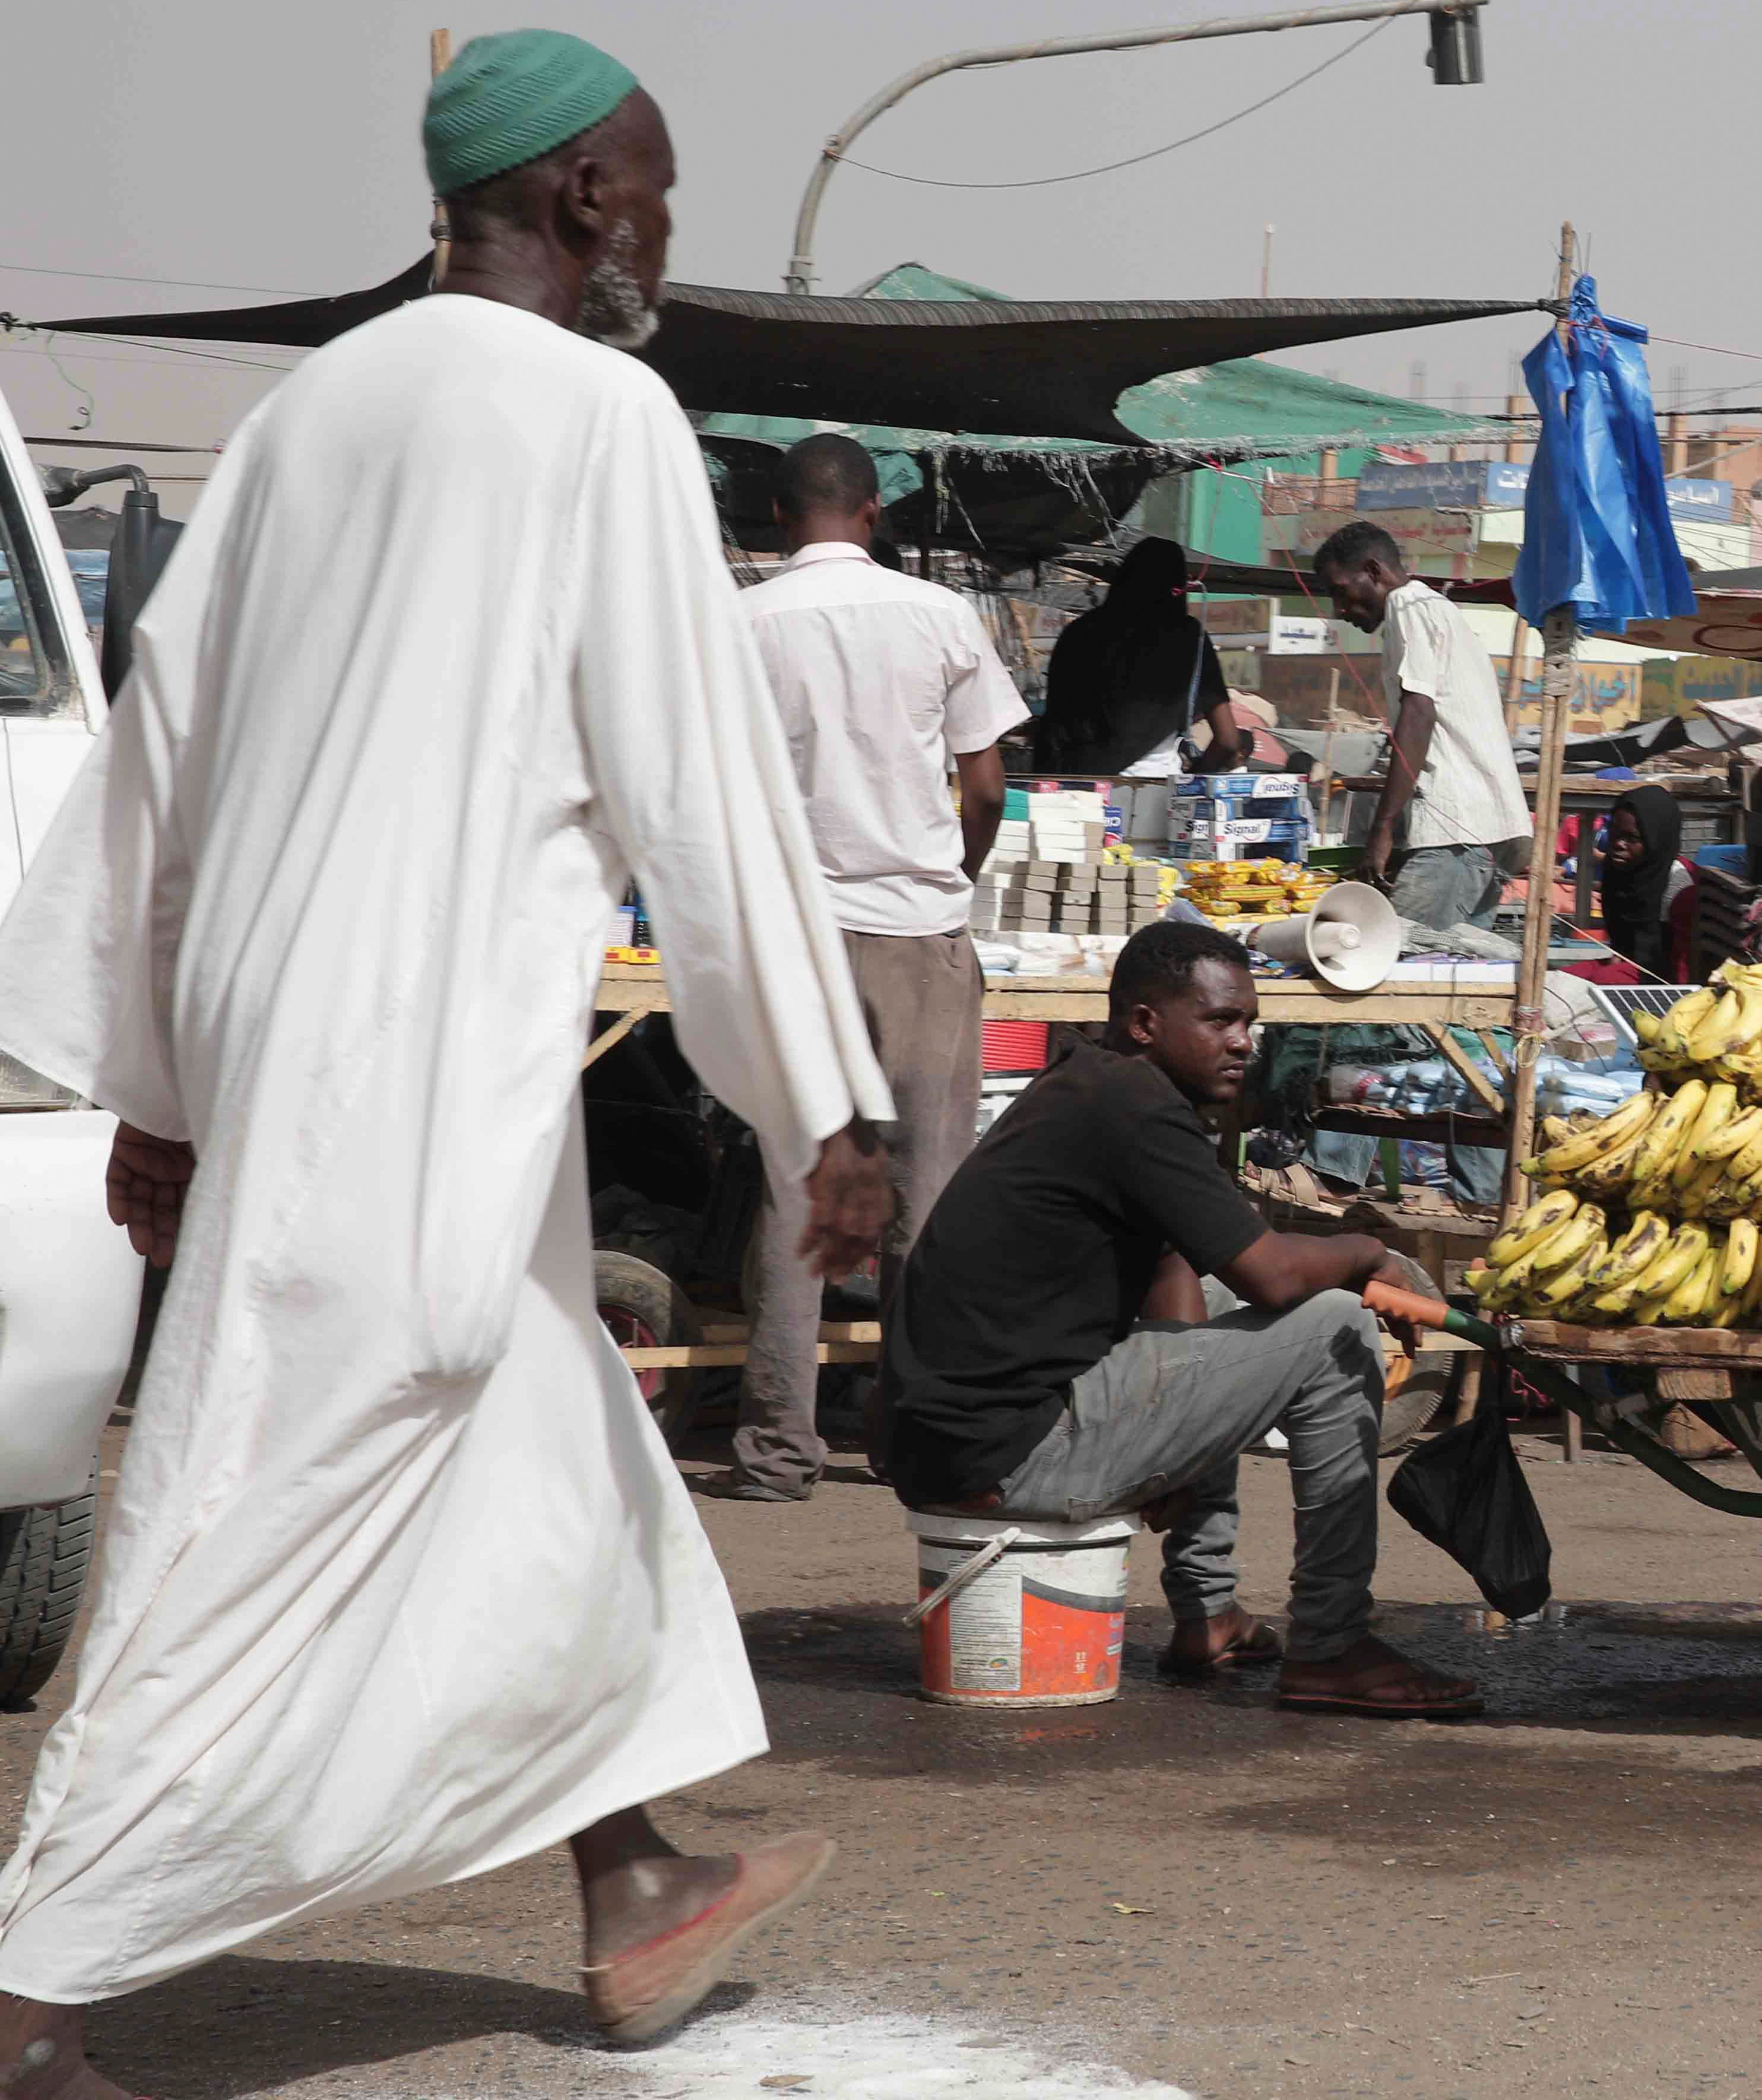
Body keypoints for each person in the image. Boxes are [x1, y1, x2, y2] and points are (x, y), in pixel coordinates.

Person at [0, 36, 895, 2080]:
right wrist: (819, 1099)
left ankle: (633, 1869)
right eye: (652, 189)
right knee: (259, 1515)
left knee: (544, 1442)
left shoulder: (314, 411)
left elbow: (170, 749)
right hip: (401, 1076)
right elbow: (701, 787)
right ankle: (31, 1994)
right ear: (584, 196)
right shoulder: (600, 415)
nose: (664, 227)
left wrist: (156, 1073)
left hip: (318, 1053)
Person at [877, 920, 1483, 1718]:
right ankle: (1331, 1643)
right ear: (1143, 1023)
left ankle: (1207, 1615)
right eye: (1220, 1020)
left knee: (1215, 1321)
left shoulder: (1092, 1088)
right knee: (1332, 1321)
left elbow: (1177, 1280)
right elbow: (1270, 1274)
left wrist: (1180, 1455)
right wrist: (1365, 1249)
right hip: (1006, 1454)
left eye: (1248, 1021)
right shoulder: (1132, 1106)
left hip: (962, 1446)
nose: (1244, 1042)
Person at [695, 433, 1029, 1502]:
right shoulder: (938, 617)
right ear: (872, 514)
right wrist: (950, 879)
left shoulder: (738, 624)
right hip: (917, 935)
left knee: (799, 1191)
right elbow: (984, 787)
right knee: (923, 1202)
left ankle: (777, 1449)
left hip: (794, 940)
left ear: (781, 518)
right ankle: (913, 1440)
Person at [1310, 519, 1532, 930]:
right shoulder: (1432, 611)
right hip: (1480, 831)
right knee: (1452, 977)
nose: (1339, 610)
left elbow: (1418, 715)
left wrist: (1382, 829)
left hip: (1455, 832)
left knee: (1394, 961)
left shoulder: (1408, 608)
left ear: (1374, 572)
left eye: (1340, 592)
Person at [1036, 537, 1249, 779]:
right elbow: (1228, 741)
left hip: (1083, 788)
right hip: (1159, 791)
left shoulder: (1082, 632)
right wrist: (1193, 778)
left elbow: (1054, 725)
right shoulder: (1188, 636)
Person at [1598, 783, 1688, 980]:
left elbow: (1683, 966)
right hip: (1625, 962)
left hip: (1662, 976)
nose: (1618, 844)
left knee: (1606, 980)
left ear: (1656, 840)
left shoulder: (1677, 885)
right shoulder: (1617, 871)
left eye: (1632, 838)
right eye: (1615, 833)